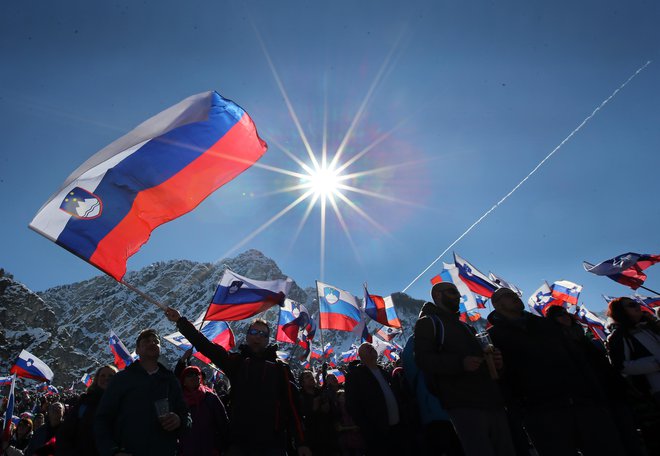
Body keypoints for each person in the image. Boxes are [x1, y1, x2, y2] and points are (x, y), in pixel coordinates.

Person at [487, 287, 624, 455]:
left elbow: (577, 359)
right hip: (541, 412)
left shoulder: (546, 324)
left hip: (582, 402)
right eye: (508, 296)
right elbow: (501, 376)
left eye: (515, 294)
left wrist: (594, 394)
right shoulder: (494, 336)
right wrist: (519, 410)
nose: (515, 297)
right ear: (497, 305)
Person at [165, 308, 310, 456]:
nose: (257, 337)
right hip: (239, 442)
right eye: (254, 332)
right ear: (247, 336)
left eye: (262, 334)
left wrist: (302, 442)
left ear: (267, 340)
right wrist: (180, 321)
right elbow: (206, 347)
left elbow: (293, 408)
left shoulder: (280, 369)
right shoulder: (237, 363)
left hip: (272, 443)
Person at [414, 283, 514, 456]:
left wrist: (496, 363)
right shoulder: (429, 323)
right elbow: (423, 360)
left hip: (491, 400)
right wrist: (460, 363)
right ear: (437, 295)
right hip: (464, 404)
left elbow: (480, 360)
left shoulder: (465, 326)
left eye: (458, 293)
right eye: (453, 292)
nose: (459, 296)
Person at [94, 329, 191, 456]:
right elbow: (102, 419)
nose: (152, 343)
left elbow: (186, 415)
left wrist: (179, 421)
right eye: (146, 341)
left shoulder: (170, 380)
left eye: (156, 341)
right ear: (137, 350)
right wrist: (112, 451)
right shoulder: (121, 379)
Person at [607, 296, 660, 453]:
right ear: (621, 312)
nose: (636, 306)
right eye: (631, 305)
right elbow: (620, 366)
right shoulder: (619, 336)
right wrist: (656, 364)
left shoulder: (653, 327)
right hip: (652, 393)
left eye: (635, 303)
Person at [344, 342, 403, 455]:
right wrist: (367, 428)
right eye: (367, 348)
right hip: (377, 434)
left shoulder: (384, 372)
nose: (371, 348)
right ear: (360, 356)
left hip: (397, 429)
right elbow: (352, 405)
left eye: (371, 347)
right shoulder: (355, 376)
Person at [56, 365, 117, 456]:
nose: (106, 378)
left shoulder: (122, 402)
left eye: (110, 376)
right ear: (96, 380)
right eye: (103, 376)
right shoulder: (85, 402)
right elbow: (66, 432)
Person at [177, 365, 228, 456]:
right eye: (189, 375)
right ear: (183, 381)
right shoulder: (178, 402)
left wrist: (221, 447)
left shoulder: (210, 397)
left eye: (196, 374)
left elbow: (223, 423)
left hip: (211, 450)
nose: (193, 376)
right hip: (186, 450)